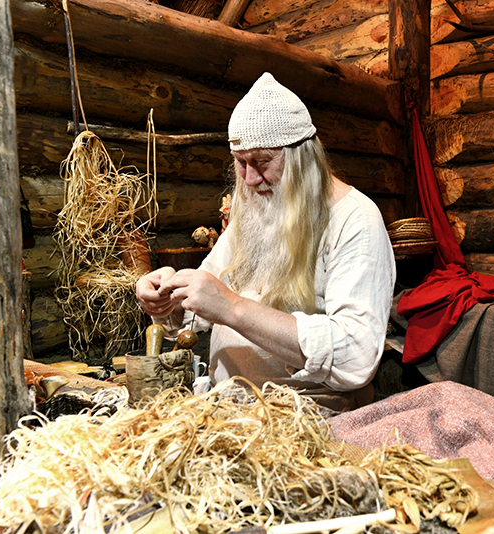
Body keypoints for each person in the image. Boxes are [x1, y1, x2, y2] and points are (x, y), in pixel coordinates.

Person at [135, 72, 396, 412]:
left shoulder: (354, 219)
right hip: (225, 411)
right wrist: (167, 299)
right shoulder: (258, 209)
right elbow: (202, 306)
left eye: (261, 162)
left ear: (302, 157)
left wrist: (233, 308)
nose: (249, 179)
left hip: (305, 416)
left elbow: (356, 356)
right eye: (240, 162)